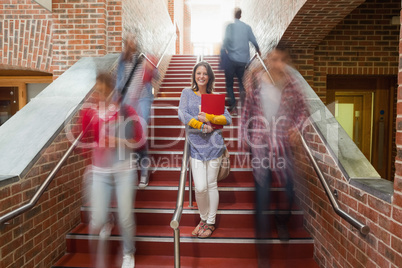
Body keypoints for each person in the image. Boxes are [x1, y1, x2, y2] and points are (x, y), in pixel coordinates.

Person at [241, 48, 309, 267]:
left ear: (286, 62)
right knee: (261, 201)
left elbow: (302, 111)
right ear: (268, 60)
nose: (277, 63)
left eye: (281, 59)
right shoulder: (256, 84)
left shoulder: (293, 86)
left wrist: (297, 128)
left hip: (282, 147)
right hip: (260, 147)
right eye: (273, 59)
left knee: (289, 192)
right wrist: (246, 139)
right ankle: (264, 256)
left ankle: (282, 219)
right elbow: (246, 112)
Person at [81, 72, 143, 268]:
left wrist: (117, 141)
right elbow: (84, 141)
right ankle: (106, 219)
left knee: (125, 216)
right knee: (97, 220)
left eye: (102, 91)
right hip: (100, 172)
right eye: (96, 91)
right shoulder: (89, 113)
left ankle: (128, 252)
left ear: (111, 91)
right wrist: (91, 157)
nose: (98, 95)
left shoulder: (125, 111)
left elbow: (138, 142)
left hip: (124, 170)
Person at [178, 61, 232, 238]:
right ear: (194, 75)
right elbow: (182, 114)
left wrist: (210, 117)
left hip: (214, 146)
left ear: (209, 77)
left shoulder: (214, 97)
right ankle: (203, 218)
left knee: (211, 185)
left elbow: (228, 118)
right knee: (200, 188)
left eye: (205, 73)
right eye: (198, 73)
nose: (201, 76)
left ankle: (210, 222)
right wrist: (200, 125)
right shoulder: (187, 93)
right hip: (196, 146)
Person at [115, 34, 157, 188]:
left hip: (143, 100)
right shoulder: (123, 59)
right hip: (127, 101)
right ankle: (130, 170)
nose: (132, 42)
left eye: (134, 39)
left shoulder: (145, 57)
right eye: (129, 39)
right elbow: (119, 81)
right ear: (126, 42)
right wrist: (115, 101)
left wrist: (151, 68)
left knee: (141, 135)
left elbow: (156, 76)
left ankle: (144, 171)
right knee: (128, 135)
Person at [222, 7, 260, 115]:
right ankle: (244, 108)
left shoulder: (230, 26)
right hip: (242, 61)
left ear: (234, 15)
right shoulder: (247, 27)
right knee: (240, 83)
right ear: (241, 15)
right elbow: (254, 41)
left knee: (229, 84)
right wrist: (258, 50)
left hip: (230, 60)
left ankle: (233, 108)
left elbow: (225, 40)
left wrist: (226, 50)